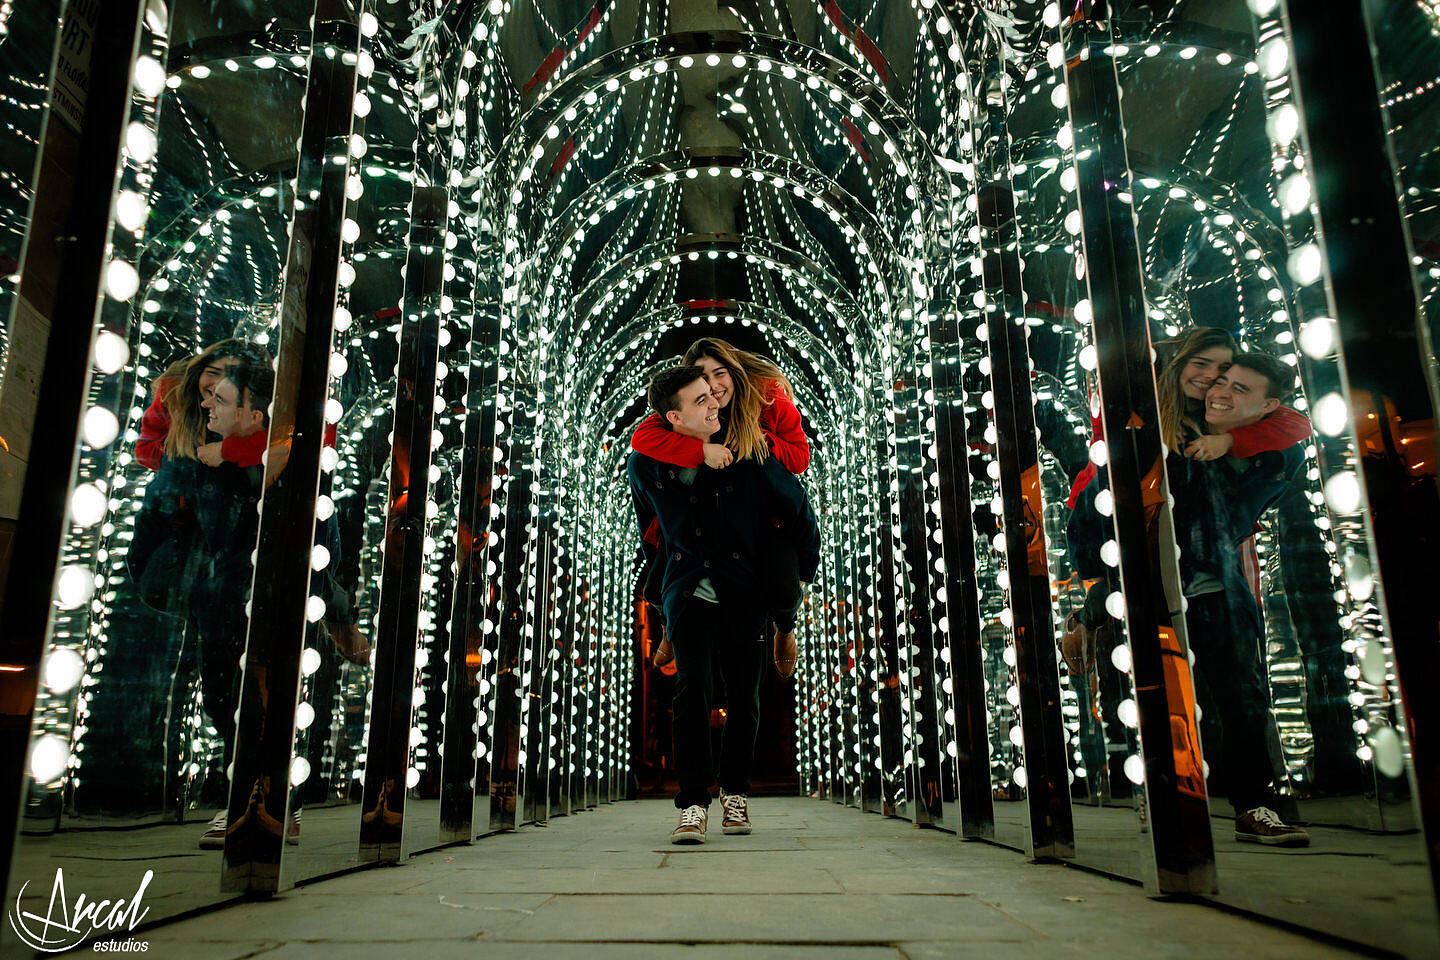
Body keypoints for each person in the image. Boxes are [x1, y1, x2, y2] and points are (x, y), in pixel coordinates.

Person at [628, 365, 819, 843]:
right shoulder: (647, 464)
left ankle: (735, 793)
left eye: (712, 394)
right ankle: (693, 803)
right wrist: (663, 577)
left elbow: (799, 513)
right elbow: (649, 525)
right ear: (673, 417)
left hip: (743, 588)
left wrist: (798, 580)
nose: (713, 402)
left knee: (743, 695)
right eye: (699, 400)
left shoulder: (749, 455)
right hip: (688, 586)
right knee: (692, 688)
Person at [1061, 327, 1311, 674]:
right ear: (1181, 363)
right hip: (1122, 543)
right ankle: (1091, 617)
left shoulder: (1209, 424)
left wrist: (1229, 441)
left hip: (1195, 580)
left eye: (1222, 371)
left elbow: (1297, 425)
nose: (1211, 377)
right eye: (1202, 364)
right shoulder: (1143, 404)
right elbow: (1094, 503)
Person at [1167, 352, 1310, 846]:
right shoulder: (1178, 427)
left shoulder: (1275, 453)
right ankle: (1170, 805)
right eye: (1221, 379)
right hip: (1156, 582)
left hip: (1210, 583)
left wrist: (1229, 442)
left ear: (1269, 405)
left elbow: (1298, 426)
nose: (1220, 390)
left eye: (1240, 388)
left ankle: (1255, 807)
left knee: (1241, 700)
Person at [632, 338, 811, 677]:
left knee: (783, 584)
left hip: (760, 512)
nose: (713, 386)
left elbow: (800, 459)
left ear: (734, 372)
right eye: (702, 377)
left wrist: (760, 444)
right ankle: (671, 626)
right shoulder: (692, 402)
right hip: (704, 509)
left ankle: (784, 630)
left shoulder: (768, 399)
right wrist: (699, 452)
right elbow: (642, 439)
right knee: (656, 581)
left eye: (720, 373)